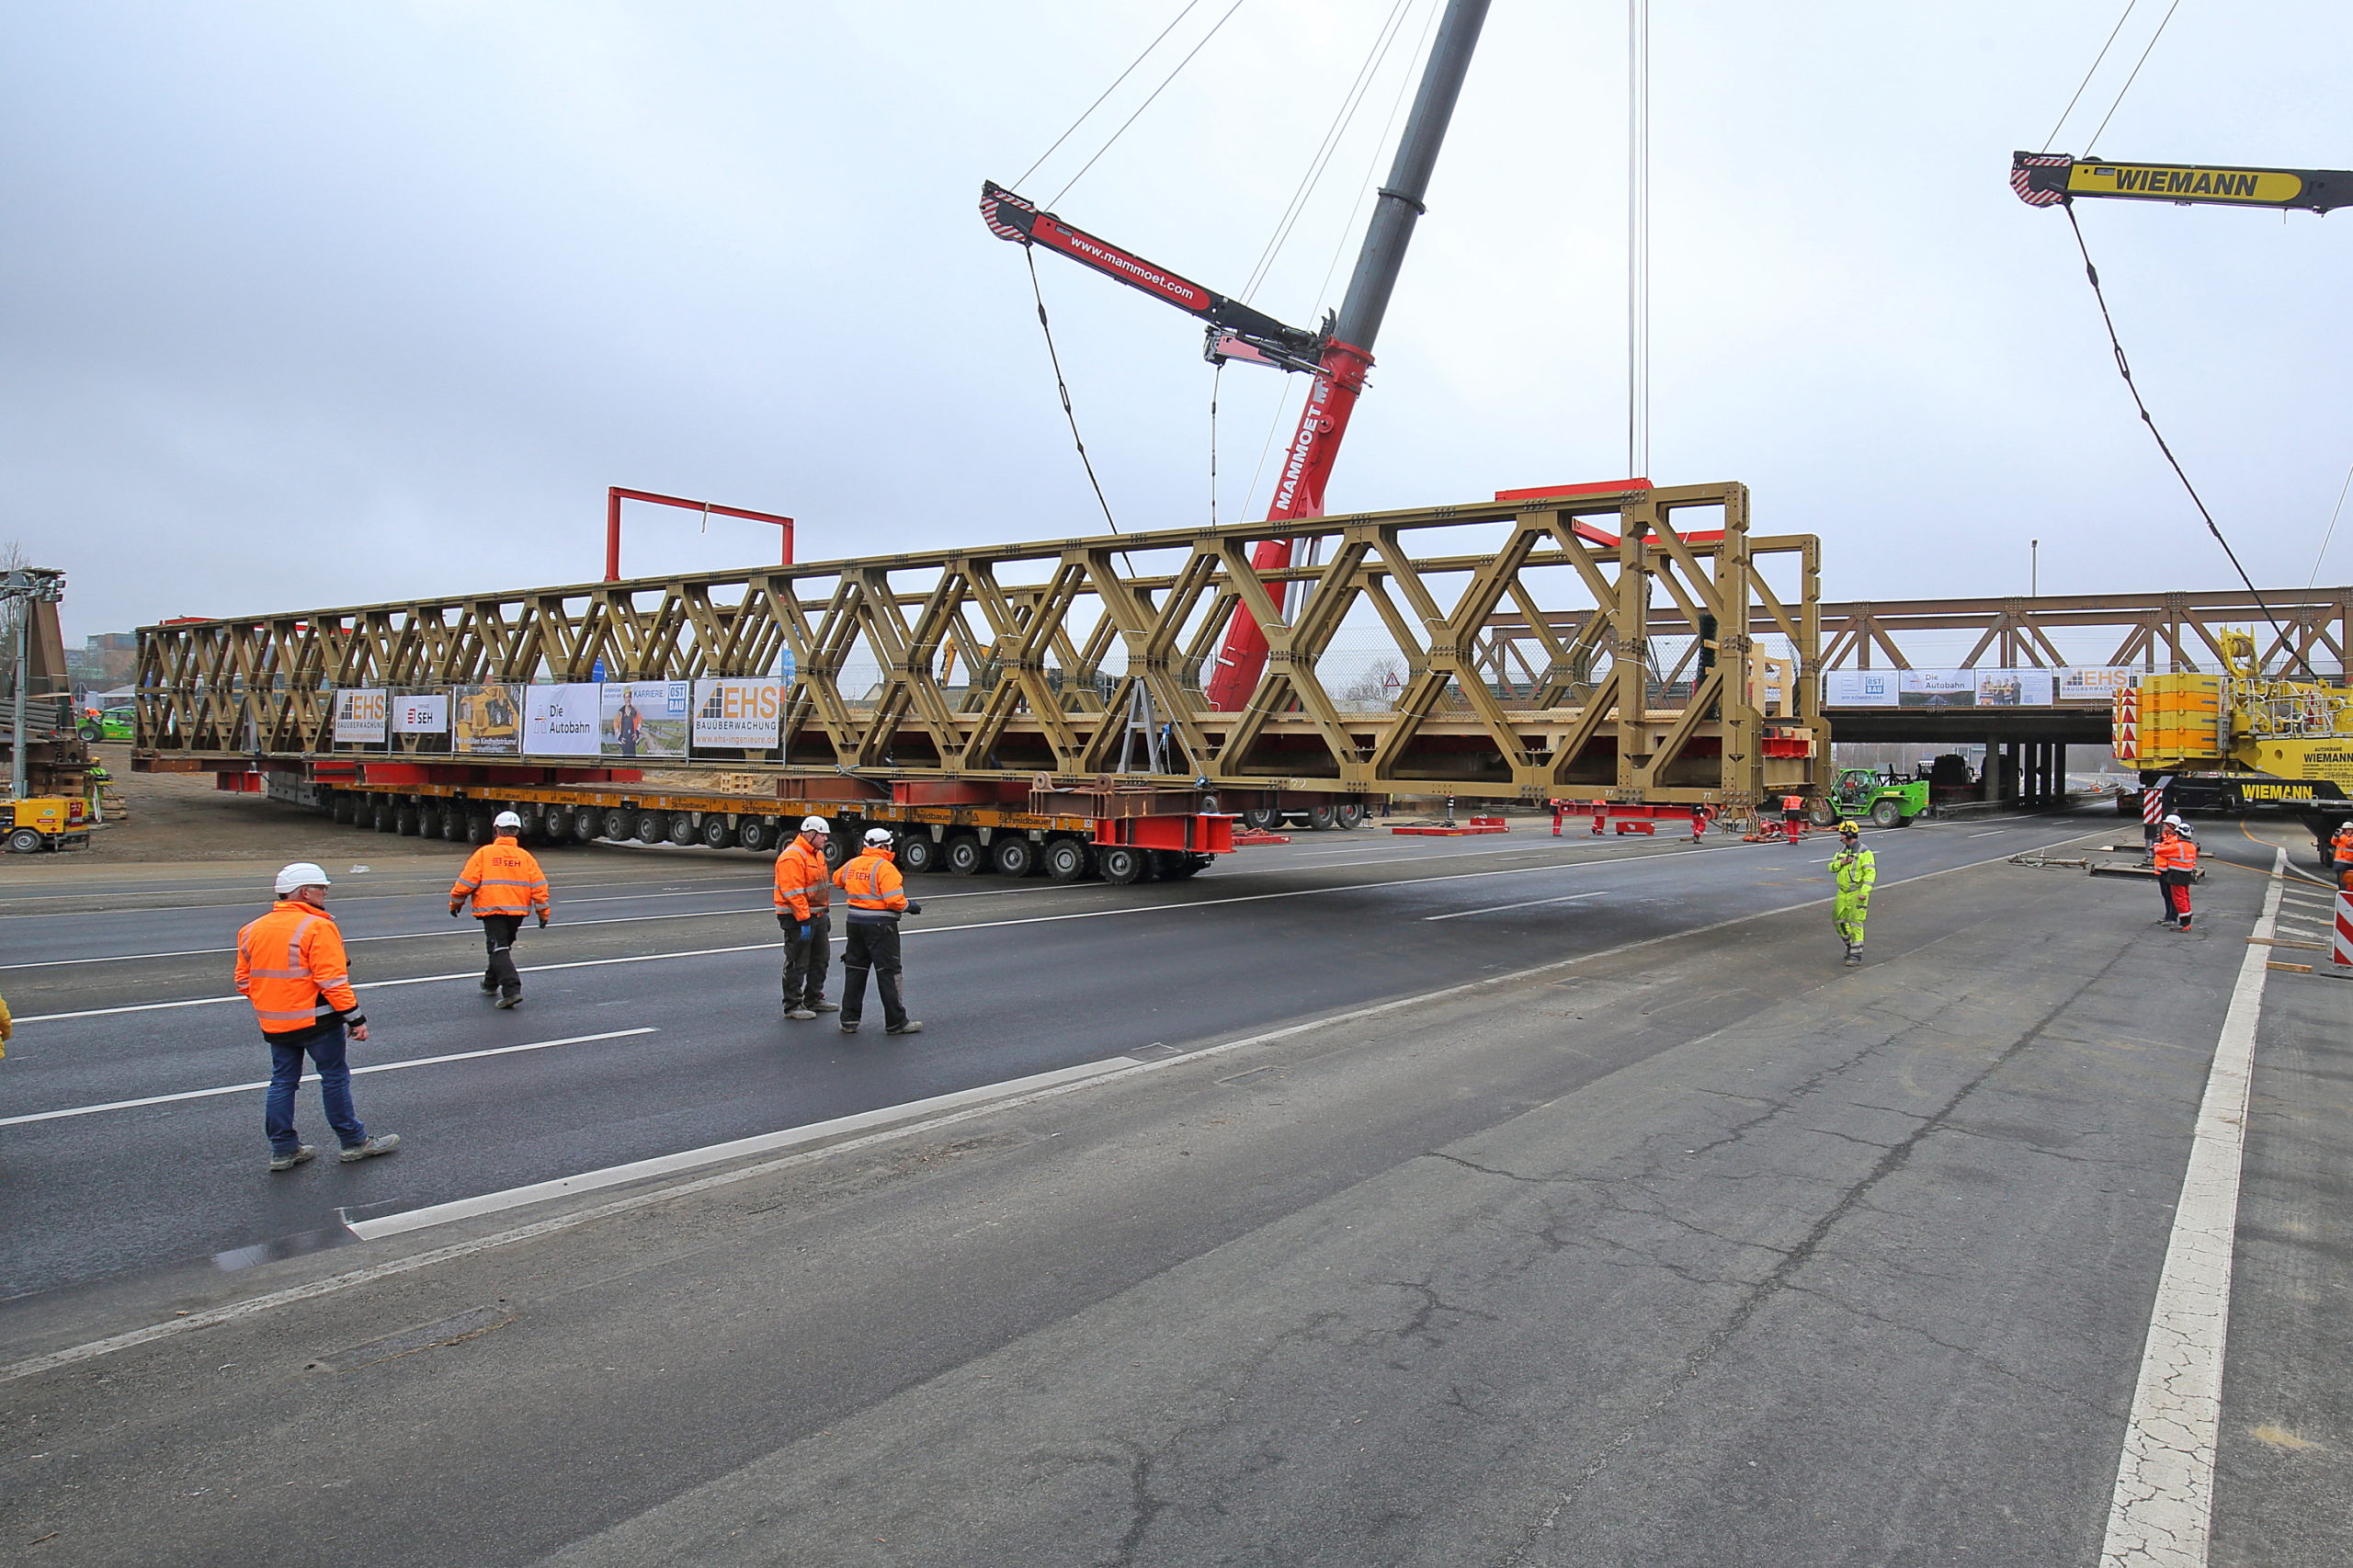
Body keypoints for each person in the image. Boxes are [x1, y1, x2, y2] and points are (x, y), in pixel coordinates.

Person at [236, 863, 399, 1171]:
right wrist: (355, 1019)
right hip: (319, 1021)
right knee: (334, 1077)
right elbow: (332, 981)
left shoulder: (251, 929)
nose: (325, 893)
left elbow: (243, 982)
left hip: (275, 1022)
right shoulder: (317, 927)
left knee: (282, 1081)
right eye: (321, 888)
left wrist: (277, 1002)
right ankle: (353, 1142)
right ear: (304, 892)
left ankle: (283, 1150)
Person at [449, 810, 551, 1007]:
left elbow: (466, 882)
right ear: (517, 832)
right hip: (517, 912)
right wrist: (543, 913)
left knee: (499, 949)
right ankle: (490, 982)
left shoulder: (485, 854)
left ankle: (512, 989)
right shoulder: (525, 857)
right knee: (501, 948)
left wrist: (456, 902)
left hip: (492, 909)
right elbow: (539, 887)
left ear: (496, 830)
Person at [832, 826, 924, 1036]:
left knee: (855, 970)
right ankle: (896, 1022)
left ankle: (849, 1020)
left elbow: (838, 880)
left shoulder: (853, 863)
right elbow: (894, 901)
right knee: (888, 973)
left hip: (855, 923)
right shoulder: (886, 868)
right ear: (884, 846)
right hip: (881, 927)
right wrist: (910, 906)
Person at [775, 815, 839, 1019]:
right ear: (810, 834)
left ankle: (814, 997)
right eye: (822, 835)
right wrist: (803, 919)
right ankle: (793, 1005)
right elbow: (793, 891)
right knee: (798, 960)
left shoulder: (816, 854)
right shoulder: (792, 856)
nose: (825, 839)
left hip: (817, 915)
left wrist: (822, 913)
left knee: (821, 958)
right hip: (797, 918)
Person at [1829, 820, 1875, 967]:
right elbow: (1831, 867)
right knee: (1838, 920)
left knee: (1856, 923)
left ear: (1849, 834)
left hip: (1856, 893)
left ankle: (1856, 954)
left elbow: (1870, 874)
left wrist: (1864, 892)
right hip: (1842, 892)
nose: (1840, 837)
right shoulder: (1842, 851)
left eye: (1842, 834)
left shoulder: (1864, 852)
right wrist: (1841, 863)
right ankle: (1850, 945)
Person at [2154, 816, 2198, 930]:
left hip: (2175, 874)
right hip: (2178, 873)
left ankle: (2179, 921)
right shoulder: (2188, 845)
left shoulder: (2177, 844)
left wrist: (2156, 844)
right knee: (2180, 897)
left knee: (2177, 898)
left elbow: (2160, 851)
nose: (2164, 827)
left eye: (2167, 825)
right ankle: (2181, 920)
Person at [2330, 818, 2353, 892]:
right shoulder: (2343, 838)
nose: (2344, 831)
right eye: (2344, 830)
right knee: (2341, 882)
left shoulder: (2349, 838)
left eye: (2346, 830)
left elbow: (2349, 843)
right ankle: (2343, 893)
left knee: (2348, 882)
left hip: (2349, 863)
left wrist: (2341, 836)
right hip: (2340, 863)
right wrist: (2336, 835)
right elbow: (2333, 842)